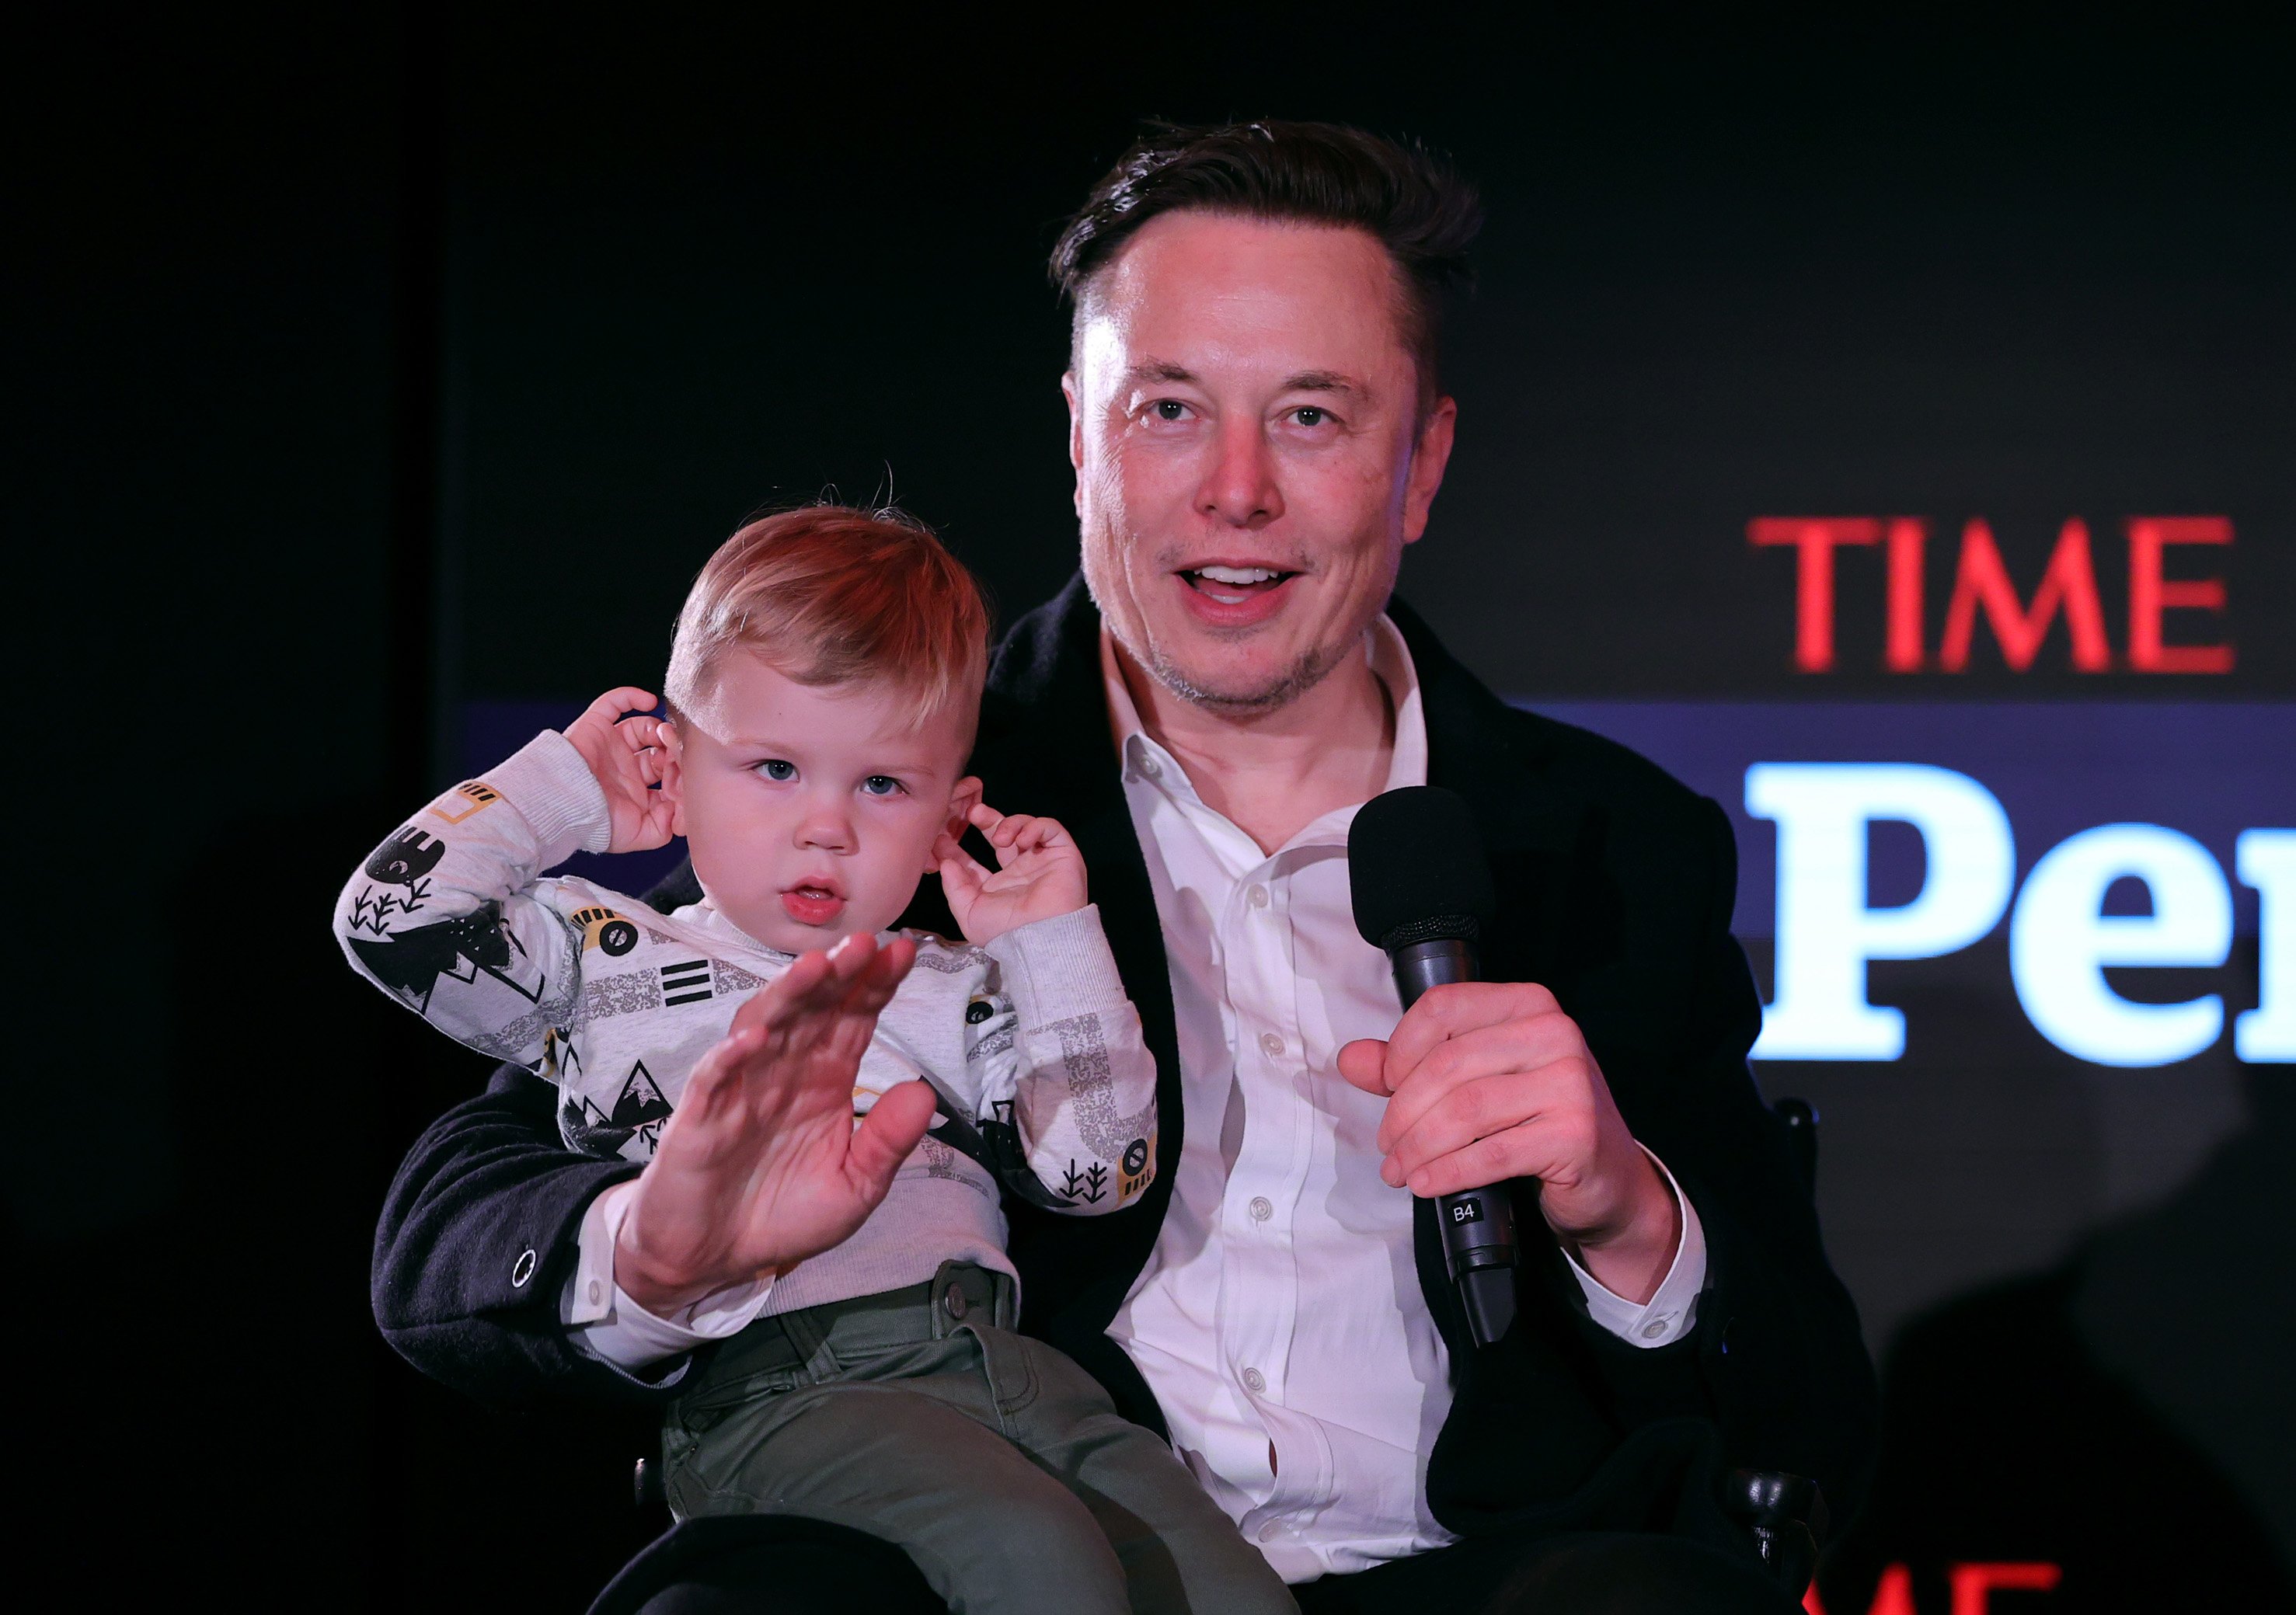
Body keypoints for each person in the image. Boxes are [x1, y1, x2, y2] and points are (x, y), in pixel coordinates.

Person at [374, 122, 1877, 1615]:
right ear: (1081, 440)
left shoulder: (1612, 841)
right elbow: (459, 1224)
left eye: (1312, 418)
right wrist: (655, 1248)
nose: (1236, 491)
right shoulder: (902, 784)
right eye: (1168, 409)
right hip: (986, 1538)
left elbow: (1809, 1400)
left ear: (1420, 465)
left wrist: (1626, 1211)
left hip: (1474, 1571)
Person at [338, 506, 1294, 1615]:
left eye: (883, 786)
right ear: (679, 765)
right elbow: (392, 920)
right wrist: (568, 786)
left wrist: (1052, 941)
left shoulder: (956, 982)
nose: (827, 828)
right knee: (1038, 1563)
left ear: (952, 806)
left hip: (1008, 1368)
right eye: (775, 767)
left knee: (1232, 1594)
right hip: (784, 1387)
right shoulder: (605, 960)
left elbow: (1098, 1173)